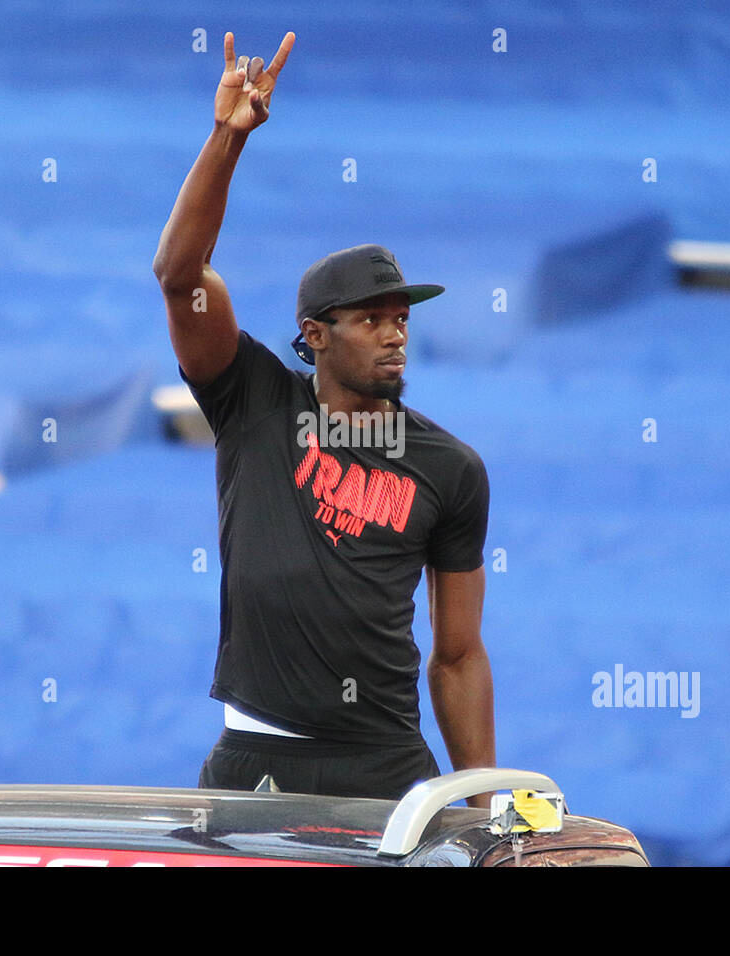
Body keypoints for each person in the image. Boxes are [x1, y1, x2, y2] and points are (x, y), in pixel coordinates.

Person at [153, 31, 495, 807]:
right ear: (314, 334)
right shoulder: (253, 402)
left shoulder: (450, 468)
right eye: (370, 318)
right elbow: (179, 276)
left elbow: (459, 657)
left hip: (384, 768)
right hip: (254, 760)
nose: (395, 331)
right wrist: (227, 138)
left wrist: (482, 808)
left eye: (401, 317)